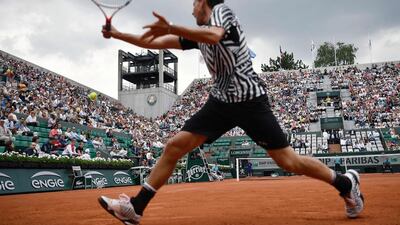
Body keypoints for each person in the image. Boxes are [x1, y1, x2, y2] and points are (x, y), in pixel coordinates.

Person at [98, 1, 364, 224]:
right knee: (175, 146)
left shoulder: (222, 11)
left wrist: (173, 26)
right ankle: (136, 208)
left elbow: (215, 35)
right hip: (221, 102)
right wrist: (118, 34)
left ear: (204, 2)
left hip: (250, 101)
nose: (192, 10)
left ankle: (344, 183)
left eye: (193, 3)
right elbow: (157, 41)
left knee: (288, 162)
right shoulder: (198, 32)